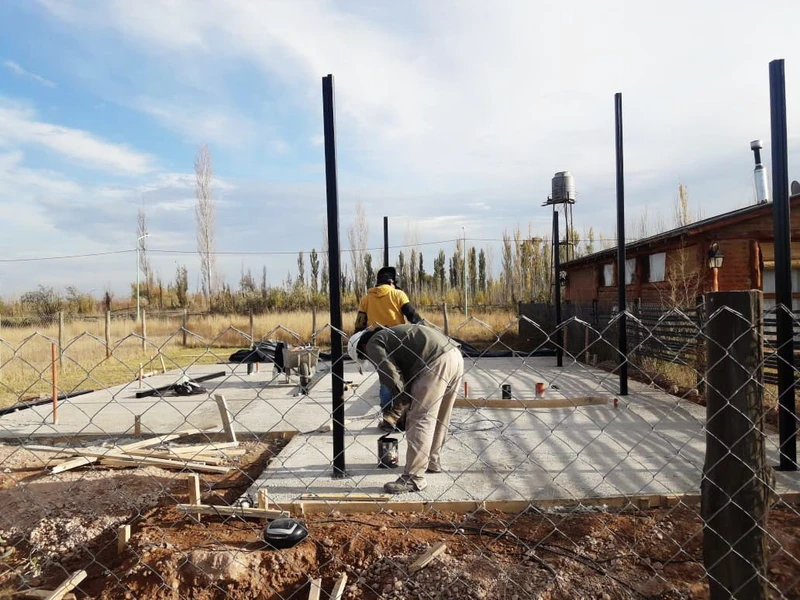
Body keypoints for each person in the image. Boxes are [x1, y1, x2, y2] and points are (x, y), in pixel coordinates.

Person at [347, 324, 464, 494]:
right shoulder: (392, 336)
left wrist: (400, 403)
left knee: (420, 419)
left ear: (362, 348)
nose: (370, 360)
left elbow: (389, 373)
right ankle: (432, 460)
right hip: (454, 355)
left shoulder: (372, 343)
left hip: (435, 362)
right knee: (440, 415)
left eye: (365, 357)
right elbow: (406, 373)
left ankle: (413, 478)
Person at [354, 266, 424, 427]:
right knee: (404, 377)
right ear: (393, 282)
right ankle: (403, 416)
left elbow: (359, 324)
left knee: (386, 378)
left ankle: (387, 415)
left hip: (376, 342)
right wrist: (423, 329)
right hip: (398, 340)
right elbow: (412, 315)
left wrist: (358, 346)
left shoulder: (366, 299)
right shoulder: (398, 294)